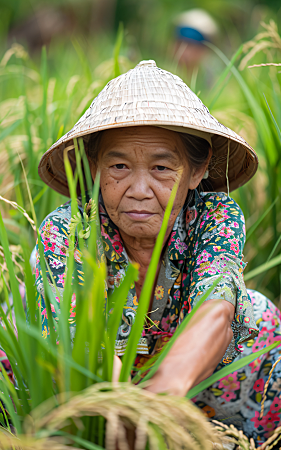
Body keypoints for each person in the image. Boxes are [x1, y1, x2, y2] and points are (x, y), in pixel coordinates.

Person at [35, 60, 281, 444]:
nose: (138, 189)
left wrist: (162, 394)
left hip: (189, 376)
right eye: (118, 166)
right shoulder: (69, 228)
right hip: (94, 382)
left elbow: (217, 309)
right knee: (8, 331)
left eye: (162, 168)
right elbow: (76, 336)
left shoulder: (213, 217)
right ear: (95, 168)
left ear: (197, 173)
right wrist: (125, 409)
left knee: (263, 318)